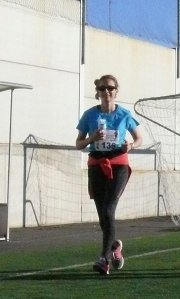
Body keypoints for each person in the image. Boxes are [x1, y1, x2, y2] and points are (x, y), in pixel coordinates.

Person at [75, 74, 143, 275]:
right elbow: (78, 143)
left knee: (109, 209)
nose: (107, 92)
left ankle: (104, 259)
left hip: (118, 164)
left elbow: (139, 138)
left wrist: (130, 145)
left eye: (110, 88)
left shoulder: (124, 115)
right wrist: (91, 138)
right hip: (96, 164)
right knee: (102, 217)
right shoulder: (89, 115)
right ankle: (115, 248)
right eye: (103, 88)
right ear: (97, 92)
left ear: (116, 91)